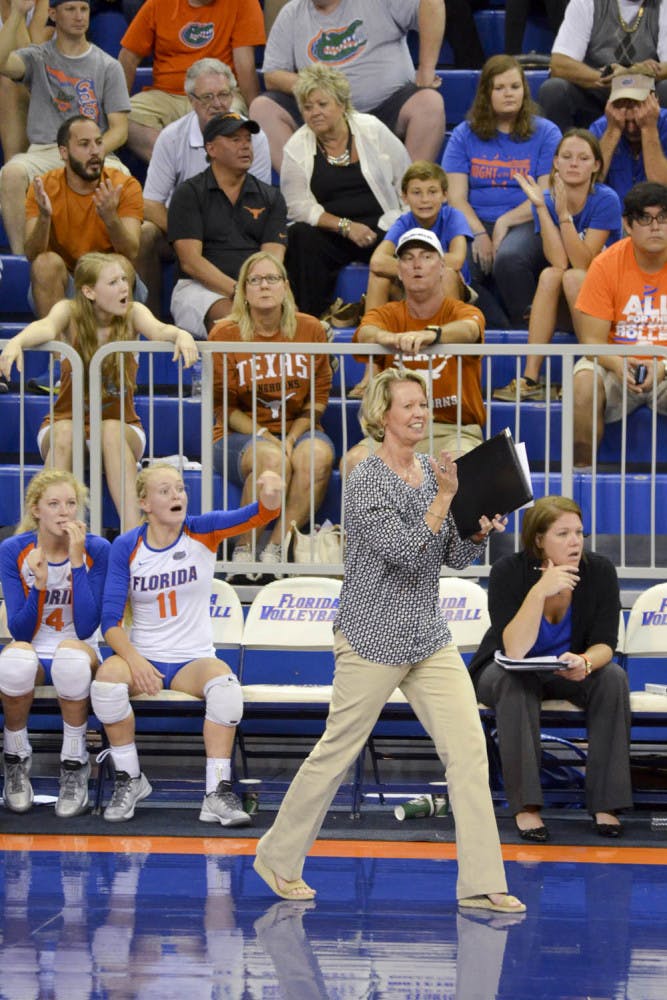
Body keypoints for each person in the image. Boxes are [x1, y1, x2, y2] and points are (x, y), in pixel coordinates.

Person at [253, 367, 525, 914]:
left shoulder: (432, 471)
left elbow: (448, 555)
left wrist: (475, 529)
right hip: (371, 634)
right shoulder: (364, 479)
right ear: (382, 418)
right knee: (337, 752)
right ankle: (277, 858)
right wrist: (446, 502)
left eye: (423, 404)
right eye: (408, 406)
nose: (421, 413)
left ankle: (481, 881)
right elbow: (403, 552)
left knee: (469, 751)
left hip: (426, 633)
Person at [91, 461, 283, 823]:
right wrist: (134, 660)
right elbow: (110, 624)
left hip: (192, 660)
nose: (177, 495)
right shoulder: (126, 546)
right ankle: (129, 779)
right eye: (165, 491)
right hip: (143, 654)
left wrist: (271, 494)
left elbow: (259, 515)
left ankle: (216, 793)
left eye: (180, 488)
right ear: (145, 504)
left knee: (226, 689)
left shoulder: (201, 531)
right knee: (105, 684)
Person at [468, 495, 632, 840]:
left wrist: (586, 662)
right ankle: (526, 807)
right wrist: (540, 591)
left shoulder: (598, 571)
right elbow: (514, 648)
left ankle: (606, 803)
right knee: (514, 684)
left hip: (567, 670)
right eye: (563, 534)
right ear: (539, 540)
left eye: (579, 533)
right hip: (507, 669)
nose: (575, 542)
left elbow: (606, 643)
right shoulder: (508, 572)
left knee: (613, 678)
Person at [0, 252, 199, 529]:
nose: (124, 288)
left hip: (123, 426)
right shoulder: (70, 311)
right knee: (66, 430)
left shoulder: (133, 313)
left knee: (110, 429)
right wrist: (17, 342)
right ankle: (47, 534)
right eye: (114, 282)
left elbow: (160, 329)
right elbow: (45, 326)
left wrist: (182, 335)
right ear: (89, 291)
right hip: (66, 424)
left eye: (124, 280)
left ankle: (134, 538)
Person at [209, 251, 334, 577]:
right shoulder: (224, 334)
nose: (264, 286)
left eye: (272, 279)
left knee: (316, 456)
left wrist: (291, 438)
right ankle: (243, 552)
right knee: (272, 460)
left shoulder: (310, 330)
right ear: (243, 290)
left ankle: (275, 549)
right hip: (238, 435)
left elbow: (318, 398)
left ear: (286, 287)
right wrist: (266, 436)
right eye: (255, 280)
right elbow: (224, 406)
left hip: (299, 429)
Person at [0, 470, 109, 817]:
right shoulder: (14, 550)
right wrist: (40, 584)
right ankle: (15, 759)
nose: (65, 512)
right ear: (36, 510)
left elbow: (88, 625)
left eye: (71, 503)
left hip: (79, 646)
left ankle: (74, 763)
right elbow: (20, 632)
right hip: (34, 646)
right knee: (14, 660)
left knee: (70, 658)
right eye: (54, 504)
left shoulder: (96, 549)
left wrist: (76, 562)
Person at [344, 228, 486, 475]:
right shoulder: (387, 314)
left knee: (460, 465)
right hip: (394, 430)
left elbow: (471, 328)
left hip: (453, 430)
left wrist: (433, 335)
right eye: (408, 258)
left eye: (426, 256)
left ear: (443, 267)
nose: (416, 264)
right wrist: (386, 337)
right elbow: (365, 331)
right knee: (354, 461)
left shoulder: (459, 311)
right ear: (399, 271)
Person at [494, 129, 622, 401]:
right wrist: (541, 207)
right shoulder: (547, 199)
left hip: (609, 307)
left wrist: (564, 216)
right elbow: (559, 260)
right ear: (556, 163)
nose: (574, 163)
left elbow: (583, 263)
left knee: (573, 277)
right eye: (567, 156)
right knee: (552, 275)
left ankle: (592, 369)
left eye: (583, 158)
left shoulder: (606, 199)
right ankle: (530, 379)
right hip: (573, 298)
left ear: (596, 166)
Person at [138, 57, 271, 313]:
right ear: (191, 100)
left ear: (233, 95)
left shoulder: (255, 137)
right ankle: (151, 322)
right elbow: (150, 203)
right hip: (180, 229)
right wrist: (189, 233)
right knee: (145, 235)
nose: (217, 104)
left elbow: (258, 200)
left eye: (223, 94)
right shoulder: (171, 137)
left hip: (236, 229)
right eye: (207, 97)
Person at [251, 0, 446, 172]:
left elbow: (432, 4)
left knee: (429, 103)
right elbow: (272, 75)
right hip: (323, 118)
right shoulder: (291, 13)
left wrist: (427, 69)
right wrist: (320, 87)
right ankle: (308, 191)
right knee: (262, 108)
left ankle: (407, 191)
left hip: (387, 109)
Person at [0, 0, 131, 255]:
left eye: (84, 9)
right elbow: (1, 63)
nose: (79, 16)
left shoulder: (108, 65)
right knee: (11, 173)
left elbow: (119, 129)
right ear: (53, 14)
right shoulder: (37, 57)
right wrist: (17, 14)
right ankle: (22, 259)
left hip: (93, 150)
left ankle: (109, 261)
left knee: (120, 176)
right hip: (45, 149)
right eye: (70, 10)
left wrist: (91, 149)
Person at [281, 64, 409, 319]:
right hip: (334, 232)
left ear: (341, 104)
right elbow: (297, 206)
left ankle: (400, 314)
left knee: (406, 237)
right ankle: (313, 318)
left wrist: (403, 224)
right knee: (298, 235)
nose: (315, 113)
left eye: (322, 104)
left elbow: (404, 179)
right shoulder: (297, 146)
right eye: (308, 107)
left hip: (381, 227)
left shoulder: (371, 129)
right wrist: (345, 226)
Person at [443, 54, 561, 328]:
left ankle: (526, 335)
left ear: (524, 90)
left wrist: (505, 222)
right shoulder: (464, 134)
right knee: (455, 271)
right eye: (500, 88)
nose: (509, 94)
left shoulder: (546, 132)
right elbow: (456, 197)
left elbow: (546, 193)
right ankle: (499, 331)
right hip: (475, 220)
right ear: (486, 93)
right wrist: (480, 232)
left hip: (529, 219)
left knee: (509, 259)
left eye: (515, 87)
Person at [354, 160, 473, 399]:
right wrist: (416, 269)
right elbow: (377, 261)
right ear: (405, 197)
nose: (425, 199)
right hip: (411, 289)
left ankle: (446, 356)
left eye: (432, 192)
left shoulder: (453, 217)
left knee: (447, 272)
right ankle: (372, 369)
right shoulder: (403, 222)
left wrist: (419, 266)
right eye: (416, 193)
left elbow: (457, 260)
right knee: (378, 277)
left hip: (451, 290)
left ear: (445, 195)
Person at [167, 111, 288, 340]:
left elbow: (272, 260)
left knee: (293, 321)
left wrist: (257, 290)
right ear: (211, 149)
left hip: (256, 288)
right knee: (237, 321)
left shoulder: (271, 197)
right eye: (235, 140)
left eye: (248, 140)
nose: (245, 146)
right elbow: (191, 262)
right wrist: (240, 291)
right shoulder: (189, 193)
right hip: (197, 287)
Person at [573, 180, 667, 467]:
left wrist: (662, 366)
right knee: (584, 383)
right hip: (615, 362)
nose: (656, 226)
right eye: (645, 218)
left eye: (663, 217)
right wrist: (619, 364)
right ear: (627, 224)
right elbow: (591, 342)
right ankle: (582, 481)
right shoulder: (606, 263)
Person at [24, 115, 144, 319]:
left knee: (118, 263)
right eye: (84, 144)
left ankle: (112, 349)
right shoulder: (43, 187)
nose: (95, 151)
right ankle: (59, 349)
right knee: (45, 263)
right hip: (66, 285)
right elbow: (31, 253)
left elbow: (131, 252)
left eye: (98, 142)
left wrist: (110, 218)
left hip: (111, 283)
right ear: (64, 152)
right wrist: (44, 217)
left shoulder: (125, 185)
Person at [118, 0, 265, 163]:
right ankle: (181, 169)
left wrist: (256, 114)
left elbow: (245, 66)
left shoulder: (244, 3)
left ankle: (199, 177)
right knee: (124, 118)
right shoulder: (157, 4)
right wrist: (115, 111)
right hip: (165, 95)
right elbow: (128, 57)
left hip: (218, 93)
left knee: (228, 118)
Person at [538, 0, 667, 134]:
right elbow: (559, 65)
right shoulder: (586, 3)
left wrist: (634, 73)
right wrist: (607, 78)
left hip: (645, 98)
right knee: (554, 89)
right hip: (596, 97)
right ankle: (565, 152)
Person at [589, 71, 667, 204]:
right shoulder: (601, 128)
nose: (631, 129)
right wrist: (613, 131)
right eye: (626, 122)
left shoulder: (664, 123)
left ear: (654, 100)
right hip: (612, 217)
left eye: (636, 121)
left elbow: (662, 189)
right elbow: (587, 186)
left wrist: (649, 128)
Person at [0, 0, 52, 162]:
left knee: (15, 78)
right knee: (10, 79)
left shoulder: (52, 5)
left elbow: (33, 56)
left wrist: (19, 11)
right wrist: (12, 11)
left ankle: (17, 167)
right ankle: (13, 165)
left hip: (34, 75)